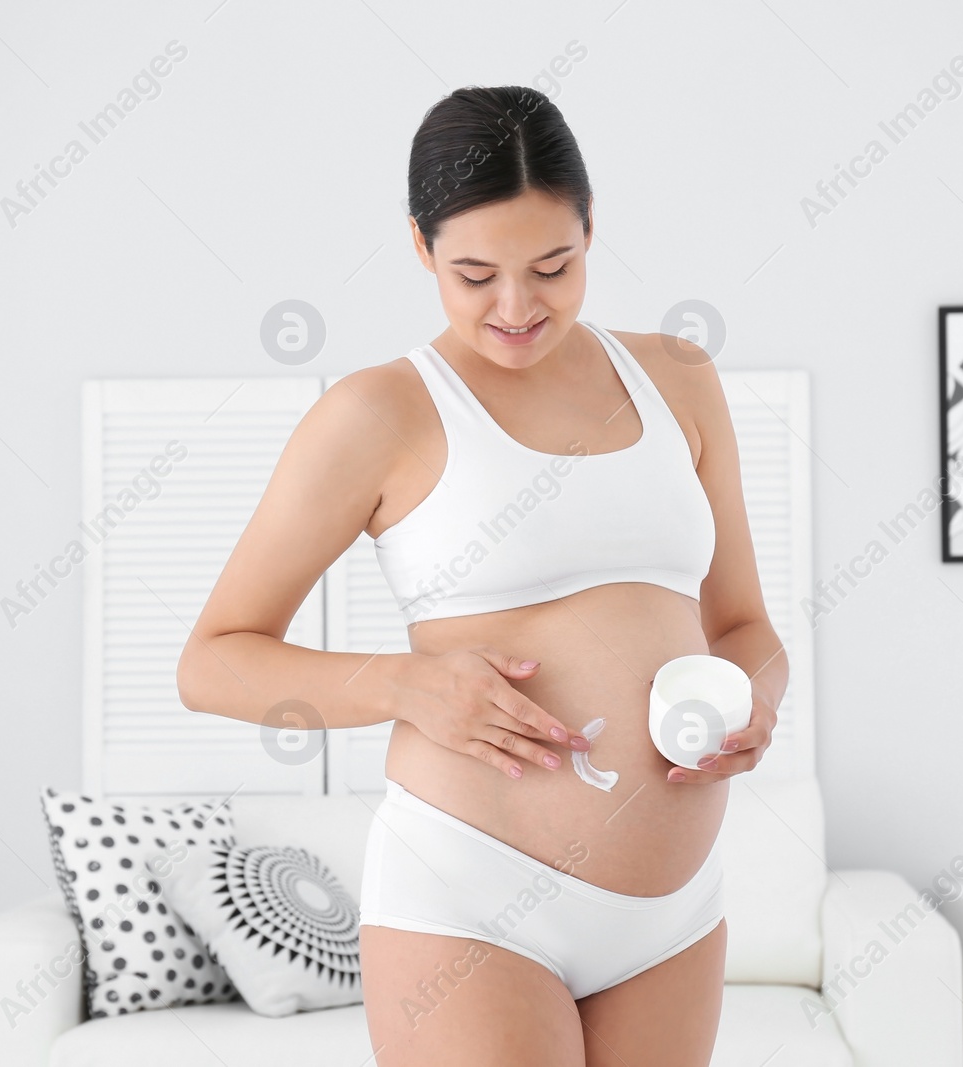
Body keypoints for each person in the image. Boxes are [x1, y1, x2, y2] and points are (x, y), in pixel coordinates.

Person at [176, 84, 788, 1067]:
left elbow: (747, 626)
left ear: (592, 230)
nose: (515, 307)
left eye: (554, 266)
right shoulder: (377, 414)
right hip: (472, 896)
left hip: (672, 912)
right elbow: (210, 661)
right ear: (420, 247)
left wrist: (754, 701)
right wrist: (404, 683)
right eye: (473, 274)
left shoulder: (678, 377)